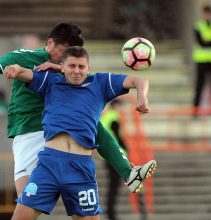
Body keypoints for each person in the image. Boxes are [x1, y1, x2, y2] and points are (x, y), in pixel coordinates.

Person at [0, 22, 156, 200]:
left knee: (92, 125)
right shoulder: (26, 58)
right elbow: (11, 67)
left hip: (61, 126)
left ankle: (128, 173)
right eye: (63, 52)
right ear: (50, 43)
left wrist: (60, 68)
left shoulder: (70, 70)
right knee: (26, 199)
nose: (65, 58)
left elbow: (133, 80)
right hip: (30, 128)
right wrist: (14, 70)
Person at [101, 99, 148, 220]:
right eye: (121, 106)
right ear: (116, 106)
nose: (123, 109)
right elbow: (116, 137)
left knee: (114, 185)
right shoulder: (114, 117)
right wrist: (127, 149)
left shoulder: (106, 117)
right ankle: (112, 213)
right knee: (117, 185)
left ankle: (111, 213)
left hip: (108, 156)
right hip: (116, 157)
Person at [192, 5, 211, 112]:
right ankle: (195, 110)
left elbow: (206, 42)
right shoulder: (198, 25)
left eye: (209, 13)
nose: (208, 16)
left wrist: (208, 41)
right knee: (200, 85)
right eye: (206, 13)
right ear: (203, 14)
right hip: (202, 60)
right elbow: (202, 43)